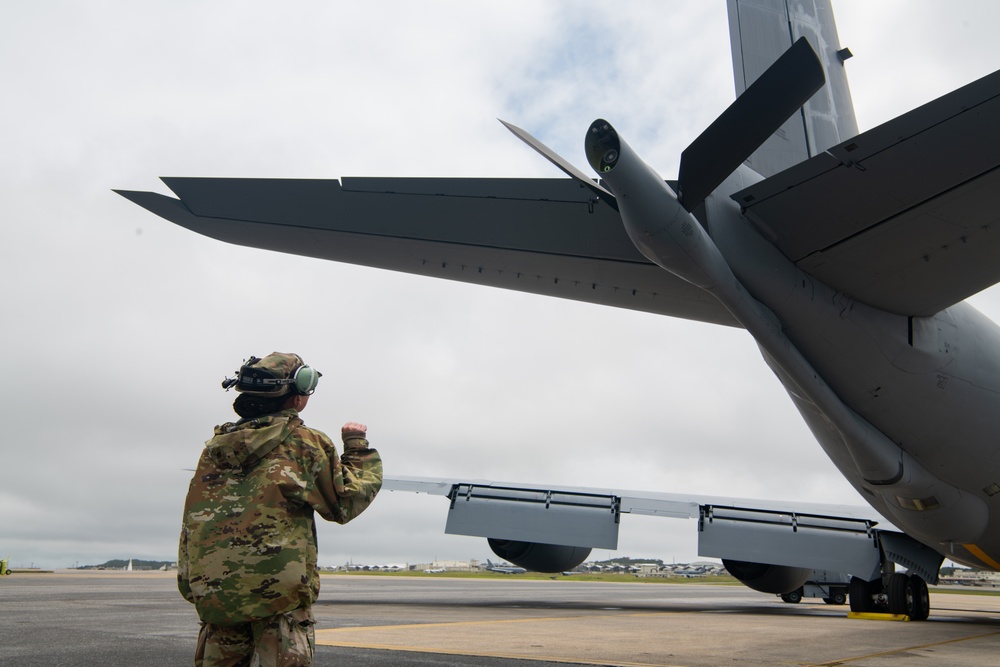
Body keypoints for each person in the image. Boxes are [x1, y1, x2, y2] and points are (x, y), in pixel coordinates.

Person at [178, 352, 383, 666]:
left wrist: (191, 583)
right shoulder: (304, 443)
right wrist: (357, 445)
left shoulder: (213, 449)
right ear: (297, 396)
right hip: (278, 600)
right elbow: (345, 502)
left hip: (217, 596)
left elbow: (194, 518)